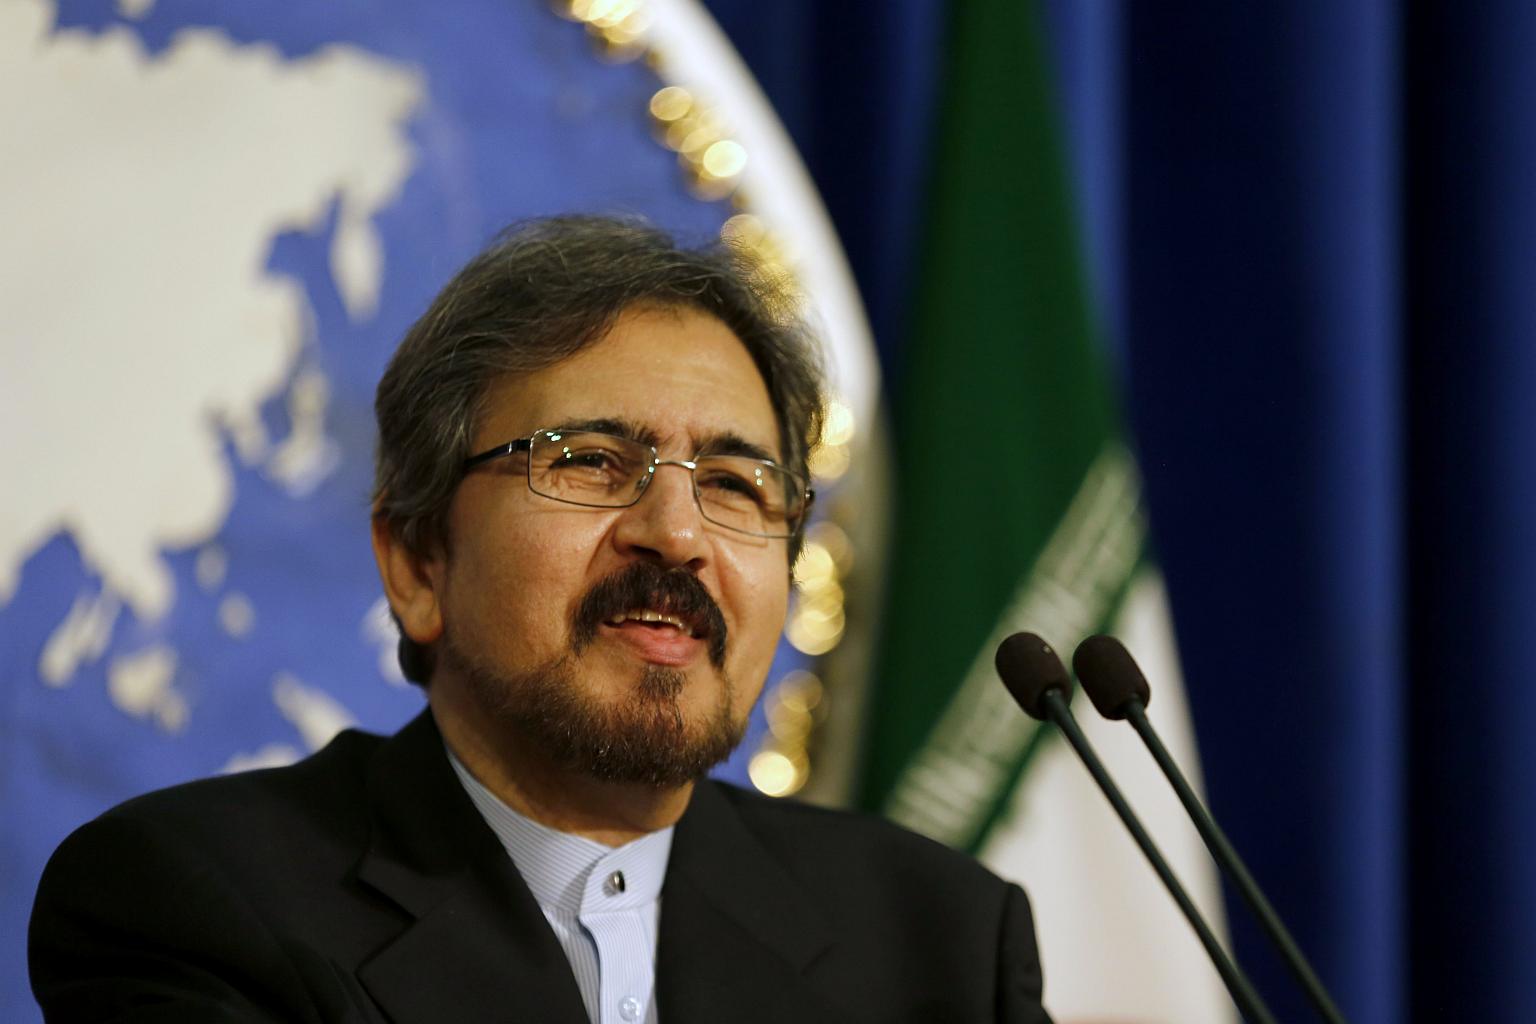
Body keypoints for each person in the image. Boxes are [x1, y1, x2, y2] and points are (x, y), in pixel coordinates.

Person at [29, 216, 1052, 1023]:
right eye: (592, 462)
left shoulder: (942, 944)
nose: (677, 534)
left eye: (736, 484)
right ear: (419, 562)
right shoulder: (200, 905)